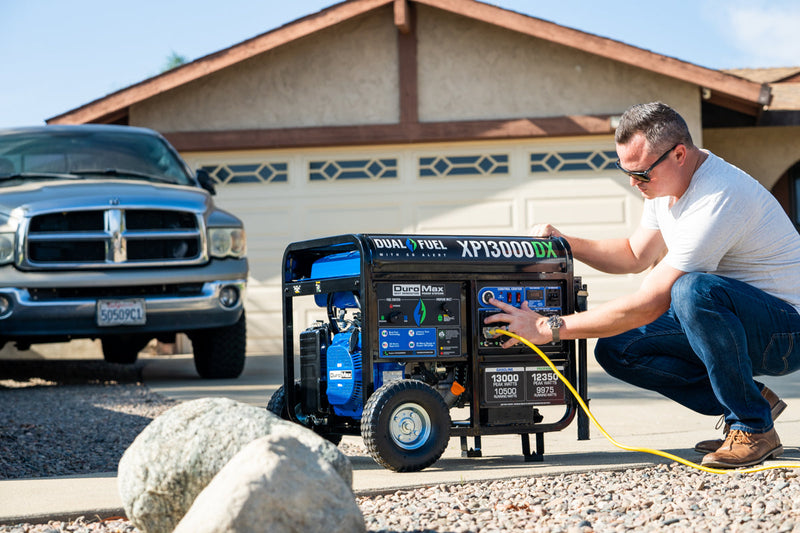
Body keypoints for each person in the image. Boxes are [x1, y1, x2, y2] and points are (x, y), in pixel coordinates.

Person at [485, 101, 800, 468]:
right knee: (618, 348)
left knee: (692, 291)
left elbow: (649, 303)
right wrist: (565, 242)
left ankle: (752, 426)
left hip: (786, 334)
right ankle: (750, 401)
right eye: (626, 171)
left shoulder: (719, 197)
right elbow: (634, 254)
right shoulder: (666, 187)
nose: (634, 183)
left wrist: (547, 327)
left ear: (679, 154)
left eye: (642, 174)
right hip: (738, 321)